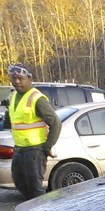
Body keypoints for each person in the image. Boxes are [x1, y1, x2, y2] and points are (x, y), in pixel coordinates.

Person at [2, 63, 61, 199]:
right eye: (14, 78)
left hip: (34, 150)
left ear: (29, 78)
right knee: (20, 183)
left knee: (35, 189)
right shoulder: (13, 96)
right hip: (19, 149)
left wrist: (46, 147)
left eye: (21, 78)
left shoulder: (37, 99)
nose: (17, 82)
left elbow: (56, 124)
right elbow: (10, 122)